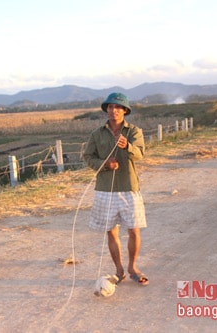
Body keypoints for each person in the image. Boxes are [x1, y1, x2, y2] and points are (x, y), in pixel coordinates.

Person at [83, 92, 149, 286]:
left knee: (134, 231)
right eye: (110, 107)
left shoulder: (134, 132)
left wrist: (127, 146)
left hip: (129, 187)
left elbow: (139, 154)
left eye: (118, 107)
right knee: (111, 232)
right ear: (107, 110)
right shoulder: (97, 133)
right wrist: (104, 164)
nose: (114, 111)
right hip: (105, 189)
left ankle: (133, 268)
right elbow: (88, 156)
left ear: (125, 111)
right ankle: (119, 270)